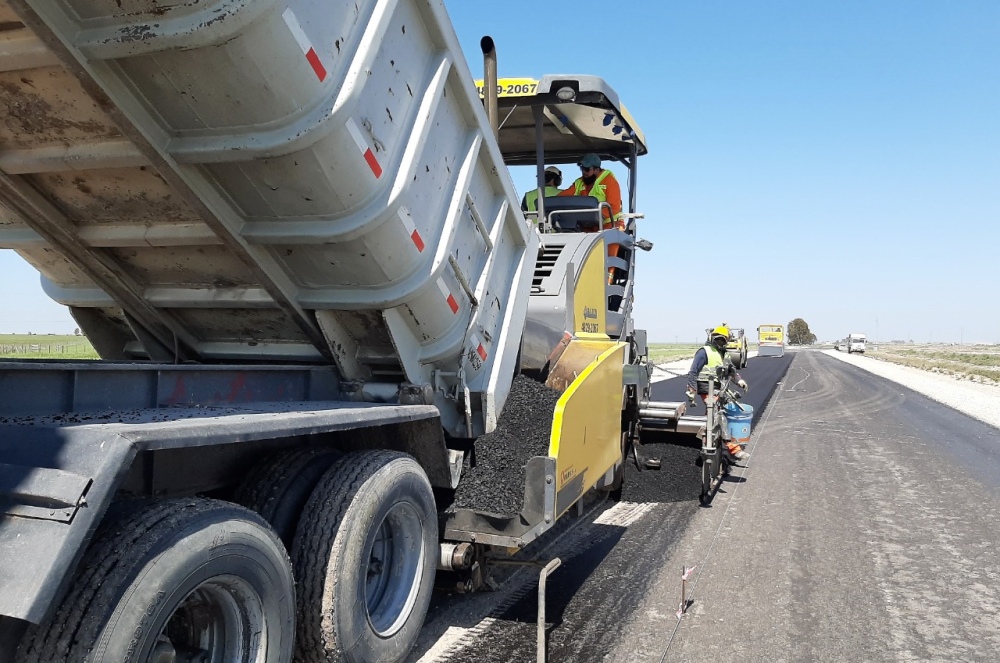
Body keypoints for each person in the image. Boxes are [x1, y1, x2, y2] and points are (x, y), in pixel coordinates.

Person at [685, 325, 751, 460]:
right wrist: (691, 389)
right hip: (706, 388)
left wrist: (740, 381)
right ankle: (733, 449)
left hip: (720, 389)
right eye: (718, 339)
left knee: (726, 411)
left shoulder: (725, 354)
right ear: (712, 338)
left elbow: (732, 371)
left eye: (723, 340)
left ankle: (704, 438)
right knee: (718, 415)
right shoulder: (704, 352)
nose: (720, 342)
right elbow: (693, 371)